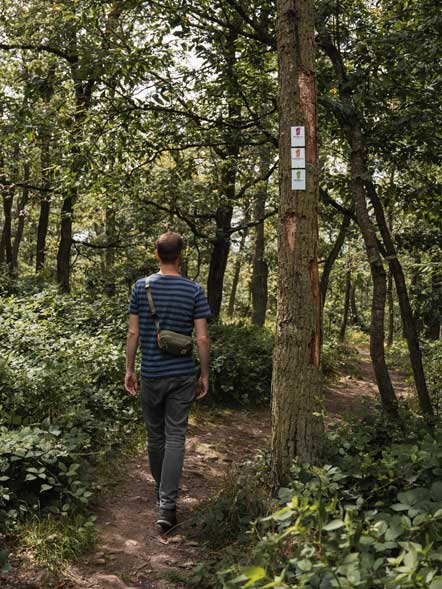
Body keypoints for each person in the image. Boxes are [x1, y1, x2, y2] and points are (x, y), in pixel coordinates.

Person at [124, 231, 211, 532]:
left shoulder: (141, 287)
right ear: (181, 255)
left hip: (151, 373)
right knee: (175, 437)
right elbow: (201, 337)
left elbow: (133, 333)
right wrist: (204, 374)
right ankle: (168, 506)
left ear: (157, 254)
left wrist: (129, 369)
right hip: (183, 375)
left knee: (155, 436)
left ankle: (162, 496)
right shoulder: (194, 290)